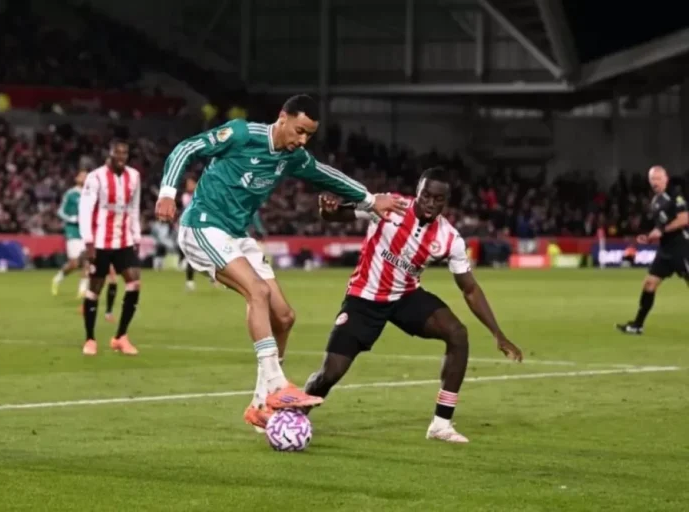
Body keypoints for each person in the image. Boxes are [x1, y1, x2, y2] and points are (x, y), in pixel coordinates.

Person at [154, 94, 406, 429]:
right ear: (282, 118)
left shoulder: (293, 157)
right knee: (257, 291)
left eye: (309, 135)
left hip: (237, 235)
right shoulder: (243, 134)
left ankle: (260, 406)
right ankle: (276, 383)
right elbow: (187, 147)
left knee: (284, 317)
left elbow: (326, 175)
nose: (302, 140)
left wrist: (370, 199)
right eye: (299, 131)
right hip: (202, 225)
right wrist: (167, 192)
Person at [304, 167, 523, 443]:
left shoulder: (449, 238)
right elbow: (337, 215)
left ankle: (441, 424)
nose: (430, 203)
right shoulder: (390, 206)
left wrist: (497, 333)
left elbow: (469, 289)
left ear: (446, 202)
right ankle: (296, 413)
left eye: (438, 199)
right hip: (364, 297)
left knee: (457, 333)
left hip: (405, 297)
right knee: (330, 373)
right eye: (426, 196)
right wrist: (328, 209)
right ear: (417, 192)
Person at [79, 140, 142, 356]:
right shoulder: (95, 177)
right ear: (110, 154)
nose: (122, 156)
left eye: (125, 153)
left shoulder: (134, 176)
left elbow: (133, 208)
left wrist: (136, 236)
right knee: (94, 290)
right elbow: (85, 210)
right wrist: (88, 241)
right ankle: (90, 339)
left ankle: (120, 337)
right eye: (118, 152)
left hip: (124, 240)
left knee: (134, 283)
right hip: (100, 242)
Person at [617, 166, 689, 335]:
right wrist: (649, 237)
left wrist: (662, 230)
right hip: (665, 251)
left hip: (682, 248)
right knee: (649, 284)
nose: (655, 182)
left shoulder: (675, 195)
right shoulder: (656, 201)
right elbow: (659, 227)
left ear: (666, 178)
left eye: (658, 178)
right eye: (652, 179)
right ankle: (637, 325)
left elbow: (684, 219)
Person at [52, 170, 89, 298]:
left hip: (86, 231)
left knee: (88, 261)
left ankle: (82, 290)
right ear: (76, 178)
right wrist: (72, 219)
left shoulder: (90, 194)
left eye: (86, 176)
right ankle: (58, 278)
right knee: (74, 263)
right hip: (73, 230)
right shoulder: (70, 193)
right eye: (81, 176)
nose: (84, 178)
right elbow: (60, 211)